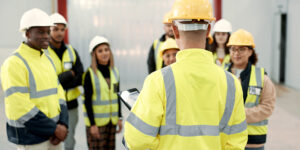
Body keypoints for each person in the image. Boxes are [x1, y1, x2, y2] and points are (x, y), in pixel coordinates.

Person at [123, 0, 248, 149]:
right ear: (209, 30)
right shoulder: (232, 84)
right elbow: (236, 143)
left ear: (175, 31)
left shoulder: (157, 81)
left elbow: (135, 141)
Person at [0, 8, 68, 150]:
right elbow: (19, 106)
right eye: (40, 32)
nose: (46, 36)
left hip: (55, 135)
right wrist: (54, 129)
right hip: (31, 138)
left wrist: (63, 124)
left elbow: (59, 92)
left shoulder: (47, 59)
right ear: (27, 33)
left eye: (48, 31)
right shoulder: (14, 63)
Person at [226, 29, 276, 150]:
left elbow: (267, 107)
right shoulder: (221, 75)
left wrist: (240, 114)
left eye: (241, 49)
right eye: (233, 49)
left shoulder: (262, 78)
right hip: (226, 140)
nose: (236, 53)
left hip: (253, 143)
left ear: (250, 51)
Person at [48, 13, 84, 150]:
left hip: (71, 105)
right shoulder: (44, 53)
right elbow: (48, 81)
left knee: (69, 141)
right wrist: (70, 73)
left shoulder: (72, 51)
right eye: (55, 29)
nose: (59, 32)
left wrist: (61, 81)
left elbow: (80, 76)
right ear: (49, 30)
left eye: (62, 29)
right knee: (52, 141)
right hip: (52, 105)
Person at [82, 36, 123, 150]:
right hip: (97, 124)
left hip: (111, 122)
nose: (104, 53)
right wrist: (92, 125)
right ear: (94, 54)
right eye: (100, 51)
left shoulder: (114, 72)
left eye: (106, 49)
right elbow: (87, 102)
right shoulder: (90, 75)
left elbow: (117, 96)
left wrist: (119, 118)